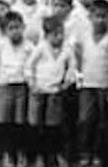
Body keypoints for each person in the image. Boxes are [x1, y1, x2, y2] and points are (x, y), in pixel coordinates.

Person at [25, 16, 76, 167]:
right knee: (35, 124)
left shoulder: (67, 49)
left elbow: (72, 67)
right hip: (38, 91)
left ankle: (51, 155)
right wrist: (32, 84)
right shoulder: (41, 48)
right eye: (55, 34)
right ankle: (36, 156)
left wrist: (66, 82)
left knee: (52, 126)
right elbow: (29, 66)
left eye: (61, 34)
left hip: (55, 92)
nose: (59, 37)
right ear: (47, 35)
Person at [75, 0, 108, 167]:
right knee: (85, 119)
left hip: (105, 84)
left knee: (103, 120)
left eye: (103, 16)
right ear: (90, 17)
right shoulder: (83, 35)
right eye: (96, 16)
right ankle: (85, 152)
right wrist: (79, 77)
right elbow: (78, 56)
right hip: (87, 84)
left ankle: (100, 153)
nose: (99, 20)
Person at [0, 11, 33, 167]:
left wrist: (28, 81)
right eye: (11, 28)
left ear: (23, 27)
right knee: (5, 121)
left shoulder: (29, 46)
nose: (15, 31)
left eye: (18, 27)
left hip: (22, 86)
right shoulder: (1, 45)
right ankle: (8, 153)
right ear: (5, 30)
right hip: (5, 86)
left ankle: (21, 152)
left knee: (20, 121)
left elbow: (31, 66)